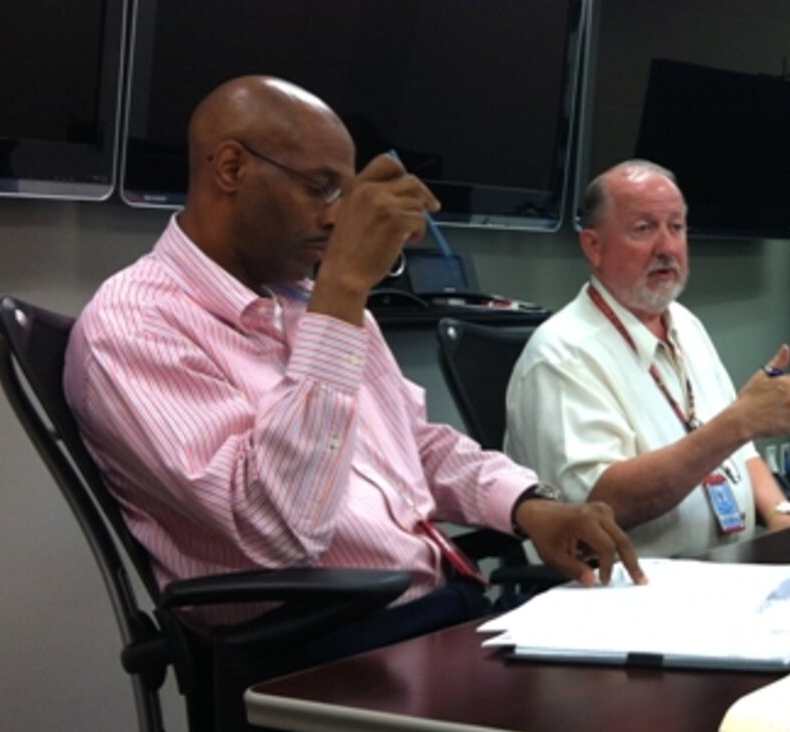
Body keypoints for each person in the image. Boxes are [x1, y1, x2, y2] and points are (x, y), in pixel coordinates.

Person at [64, 76, 645, 641]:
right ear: (231, 168)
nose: (336, 217)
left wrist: (529, 504)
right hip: (323, 655)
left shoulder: (304, 306)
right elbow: (276, 529)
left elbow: (413, 445)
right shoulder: (135, 326)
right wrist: (341, 287)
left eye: (344, 196)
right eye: (320, 189)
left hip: (435, 618)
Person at [506, 159, 790, 557]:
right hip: (626, 594)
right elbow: (599, 505)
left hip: (729, 574)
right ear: (593, 246)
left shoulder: (685, 324)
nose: (667, 247)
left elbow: (743, 453)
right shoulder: (561, 354)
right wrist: (738, 423)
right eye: (644, 228)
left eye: (676, 227)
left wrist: (784, 517)